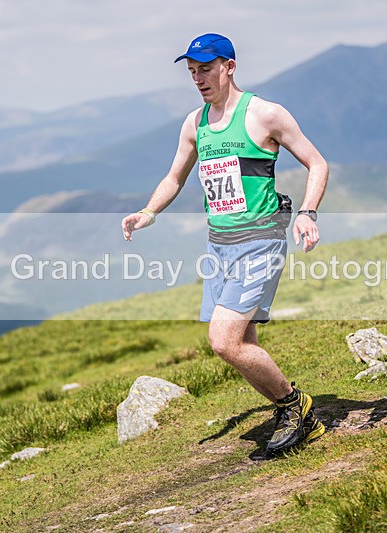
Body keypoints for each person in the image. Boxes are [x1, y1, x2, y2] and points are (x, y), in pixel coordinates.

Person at [121, 33, 329, 456]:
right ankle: (288, 409)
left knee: (224, 341)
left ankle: (297, 409)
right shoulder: (195, 123)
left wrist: (307, 213)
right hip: (219, 245)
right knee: (243, 340)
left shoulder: (265, 114)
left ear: (229, 67)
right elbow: (174, 177)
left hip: (260, 240)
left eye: (206, 69)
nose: (198, 78)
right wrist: (149, 212)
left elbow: (317, 163)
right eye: (192, 72)